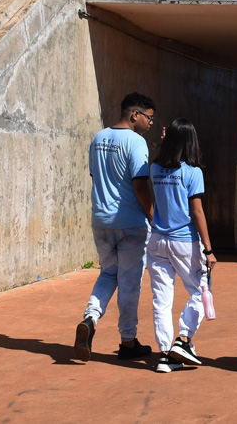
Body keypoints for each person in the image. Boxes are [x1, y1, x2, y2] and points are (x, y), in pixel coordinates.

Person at [74, 92, 156, 362]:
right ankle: (128, 341)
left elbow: (96, 177)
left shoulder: (98, 139)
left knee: (108, 274)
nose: (151, 123)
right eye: (149, 117)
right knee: (130, 283)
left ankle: (90, 318)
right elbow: (140, 184)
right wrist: (154, 215)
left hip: (101, 221)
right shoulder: (136, 142)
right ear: (135, 115)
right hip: (131, 223)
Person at [147, 118, 217, 373]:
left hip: (157, 241)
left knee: (162, 300)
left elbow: (164, 158)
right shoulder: (192, 172)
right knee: (201, 290)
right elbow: (197, 212)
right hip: (184, 242)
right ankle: (183, 339)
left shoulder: (155, 168)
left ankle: (165, 355)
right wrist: (208, 249)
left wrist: (166, 141)